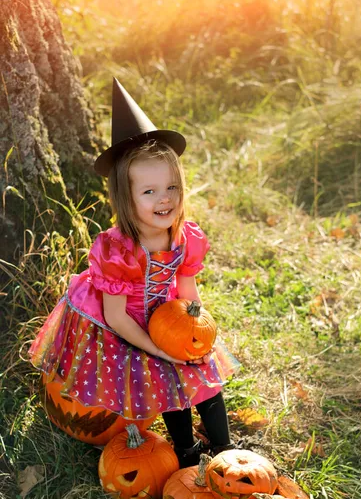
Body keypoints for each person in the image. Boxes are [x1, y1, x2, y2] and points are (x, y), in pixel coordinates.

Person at [29, 78, 239, 467]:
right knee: (168, 380)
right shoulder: (118, 250)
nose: (165, 199)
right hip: (123, 324)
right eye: (149, 191)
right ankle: (186, 454)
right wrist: (159, 350)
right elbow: (115, 315)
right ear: (126, 197)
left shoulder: (185, 237)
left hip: (168, 319)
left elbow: (188, 292)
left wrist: (196, 333)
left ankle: (224, 448)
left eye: (172, 187)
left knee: (202, 371)